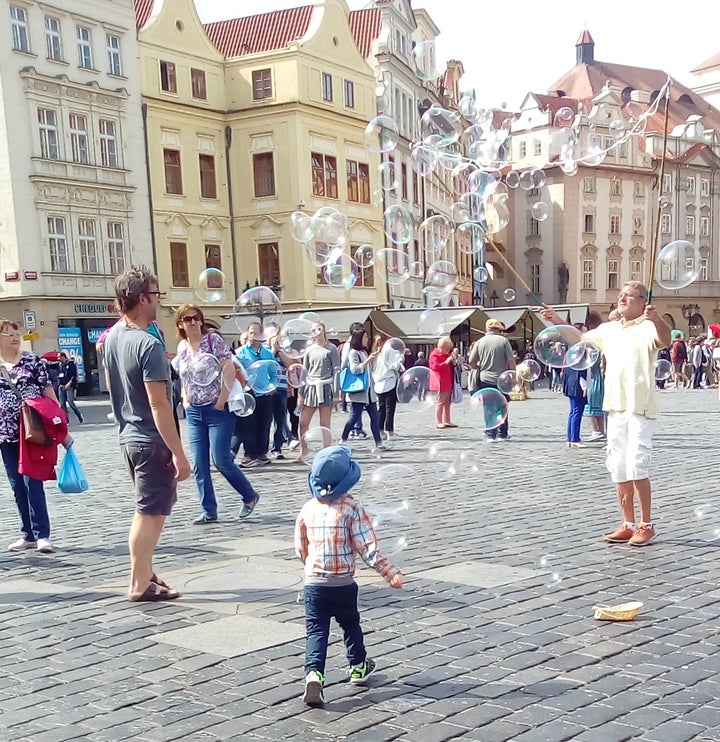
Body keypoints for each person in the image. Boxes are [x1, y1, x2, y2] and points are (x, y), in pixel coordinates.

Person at [541, 281, 671, 547]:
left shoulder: (647, 326)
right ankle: (627, 523)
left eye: (629, 295)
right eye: (620, 295)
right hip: (615, 405)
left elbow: (664, 339)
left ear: (641, 301)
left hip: (640, 405)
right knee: (618, 466)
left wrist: (656, 318)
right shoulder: (609, 329)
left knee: (637, 464)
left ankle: (646, 524)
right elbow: (579, 341)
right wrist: (554, 319)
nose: (622, 298)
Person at [103, 266, 192, 601]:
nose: (159, 302)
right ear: (142, 299)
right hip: (150, 440)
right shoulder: (148, 345)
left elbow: (113, 385)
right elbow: (159, 405)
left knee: (150, 510)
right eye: (156, 295)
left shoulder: (113, 337)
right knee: (150, 514)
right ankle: (139, 584)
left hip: (128, 435)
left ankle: (145, 574)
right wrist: (178, 453)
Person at [294, 445, 403, 706]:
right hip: (343, 584)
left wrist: (310, 566)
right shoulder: (353, 508)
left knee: (316, 631)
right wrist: (389, 573)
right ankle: (357, 666)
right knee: (350, 624)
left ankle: (314, 674)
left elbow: (301, 546)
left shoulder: (308, 508)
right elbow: (368, 548)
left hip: (314, 584)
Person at [173, 304, 260, 525]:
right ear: (180, 324)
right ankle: (208, 509)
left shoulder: (212, 341)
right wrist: (185, 398)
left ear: (201, 321)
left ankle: (249, 495)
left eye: (196, 318)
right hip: (194, 411)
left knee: (220, 458)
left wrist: (221, 402)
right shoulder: (182, 347)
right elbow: (184, 376)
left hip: (217, 410)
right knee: (199, 463)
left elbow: (229, 370)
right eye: (187, 319)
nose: (192, 322)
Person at [0, 319, 70, 553]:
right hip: (5, 434)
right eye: (8, 334)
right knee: (17, 485)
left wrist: (58, 420)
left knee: (33, 482)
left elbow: (47, 390)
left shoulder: (32, 361)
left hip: (33, 431)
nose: (14, 337)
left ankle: (43, 535)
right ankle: (27, 534)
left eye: (16, 333)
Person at [233, 322, 278, 468]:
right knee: (248, 425)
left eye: (255, 333)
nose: (252, 336)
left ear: (261, 335)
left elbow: (273, 373)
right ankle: (249, 454)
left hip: (265, 393)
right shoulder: (240, 353)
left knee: (264, 424)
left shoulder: (267, 353)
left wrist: (274, 386)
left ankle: (262, 453)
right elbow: (236, 372)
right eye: (250, 332)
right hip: (249, 394)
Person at [296, 323, 340, 463]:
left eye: (319, 329)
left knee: (324, 422)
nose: (317, 331)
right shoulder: (309, 350)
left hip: (326, 386)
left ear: (324, 330)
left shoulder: (331, 349)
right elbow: (304, 371)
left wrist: (336, 392)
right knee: (303, 422)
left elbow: (336, 371)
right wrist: (300, 393)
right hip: (311, 387)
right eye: (314, 330)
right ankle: (303, 451)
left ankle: (327, 452)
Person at [468, 319, 515, 441]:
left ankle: (490, 434)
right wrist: (513, 376)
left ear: (487, 329)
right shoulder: (504, 341)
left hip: (485, 379)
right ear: (498, 329)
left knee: (489, 407)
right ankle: (502, 433)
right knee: (502, 406)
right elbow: (511, 360)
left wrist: (480, 367)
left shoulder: (479, 342)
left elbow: (471, 362)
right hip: (502, 378)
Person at [340, 328, 386, 450]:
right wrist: (367, 361)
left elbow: (368, 370)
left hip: (369, 392)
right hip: (359, 392)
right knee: (353, 418)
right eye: (365, 337)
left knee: (374, 418)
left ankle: (379, 443)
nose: (367, 340)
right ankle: (343, 439)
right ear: (358, 339)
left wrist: (372, 360)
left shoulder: (364, 352)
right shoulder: (353, 353)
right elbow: (355, 369)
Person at [268, 330, 293, 459]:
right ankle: (263, 448)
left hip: (281, 388)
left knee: (280, 419)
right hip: (268, 389)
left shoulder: (282, 352)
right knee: (267, 420)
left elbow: (290, 366)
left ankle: (277, 448)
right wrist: (272, 349)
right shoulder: (266, 351)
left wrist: (280, 351)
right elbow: (266, 363)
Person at [373, 337, 404, 441]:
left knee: (381, 409)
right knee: (389, 409)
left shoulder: (375, 354)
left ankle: (381, 431)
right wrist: (401, 362)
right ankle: (390, 432)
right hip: (389, 382)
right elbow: (394, 366)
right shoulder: (388, 352)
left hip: (378, 383)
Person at [340, 322, 366, 438]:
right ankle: (353, 430)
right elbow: (345, 362)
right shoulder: (349, 346)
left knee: (357, 408)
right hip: (353, 379)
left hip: (361, 381)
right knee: (355, 408)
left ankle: (357, 428)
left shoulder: (363, 350)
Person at [584, 313, 606, 442]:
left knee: (591, 405)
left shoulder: (593, 349)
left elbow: (589, 365)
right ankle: (601, 431)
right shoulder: (601, 346)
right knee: (599, 406)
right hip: (599, 378)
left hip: (593, 378)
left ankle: (596, 430)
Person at [429, 337, 459, 429]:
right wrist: (446, 362)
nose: (447, 351)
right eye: (446, 349)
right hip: (440, 381)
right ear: (442, 347)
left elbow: (453, 365)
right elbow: (435, 367)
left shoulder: (447, 354)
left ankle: (447, 420)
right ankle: (439, 421)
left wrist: (453, 360)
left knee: (447, 402)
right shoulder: (434, 354)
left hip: (449, 380)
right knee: (440, 402)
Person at [56, 351, 84, 424]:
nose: (58, 358)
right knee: (62, 404)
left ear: (63, 356)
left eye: (59, 357)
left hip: (69, 386)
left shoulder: (70, 364)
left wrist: (70, 382)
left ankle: (79, 415)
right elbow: (58, 373)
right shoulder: (60, 365)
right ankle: (66, 419)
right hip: (61, 385)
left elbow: (74, 374)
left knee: (70, 402)